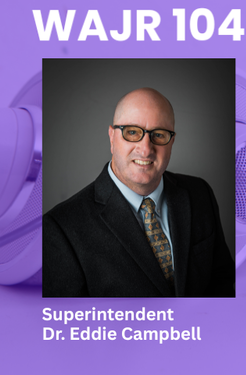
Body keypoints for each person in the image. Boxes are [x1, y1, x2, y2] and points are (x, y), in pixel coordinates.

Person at [43, 87, 234, 297]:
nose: (146, 149)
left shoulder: (200, 194)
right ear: (111, 137)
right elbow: (71, 323)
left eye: (159, 135)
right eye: (132, 132)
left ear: (172, 142)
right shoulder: (61, 229)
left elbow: (222, 283)